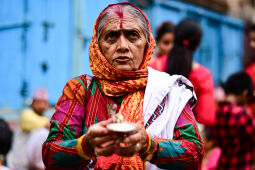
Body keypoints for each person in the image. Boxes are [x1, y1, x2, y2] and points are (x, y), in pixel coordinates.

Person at [42, 3, 204, 169]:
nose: (122, 46)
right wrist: (87, 145)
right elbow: (51, 155)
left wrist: (149, 145)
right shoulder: (81, 90)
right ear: (97, 46)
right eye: (111, 36)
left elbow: (195, 154)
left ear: (147, 44)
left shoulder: (169, 91)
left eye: (132, 35)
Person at [166, 18, 216, 126]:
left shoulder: (156, 65)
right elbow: (205, 119)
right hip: (184, 138)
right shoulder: (203, 76)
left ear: (174, 38)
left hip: (150, 135)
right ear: (197, 45)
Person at [210, 72, 255, 170]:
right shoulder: (239, 113)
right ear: (245, 93)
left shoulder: (217, 111)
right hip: (241, 164)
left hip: (223, 164)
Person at [7, 88, 50, 170]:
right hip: (18, 165)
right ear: (32, 103)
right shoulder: (26, 115)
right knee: (43, 133)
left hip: (31, 166)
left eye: (44, 102)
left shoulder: (44, 119)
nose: (42, 105)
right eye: (38, 102)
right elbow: (47, 125)